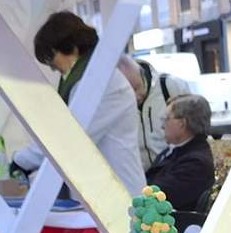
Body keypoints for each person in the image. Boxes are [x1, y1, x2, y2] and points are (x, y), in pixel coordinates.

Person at [13, 11, 146, 197]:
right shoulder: (88, 79)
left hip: (118, 194)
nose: (52, 67)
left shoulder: (99, 83)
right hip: (103, 192)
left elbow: (71, 138)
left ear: (72, 47)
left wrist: (22, 160)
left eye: (52, 57)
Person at [146, 94, 218, 226]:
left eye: (166, 119)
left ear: (182, 124)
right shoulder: (178, 150)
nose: (162, 126)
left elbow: (155, 195)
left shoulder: (196, 163)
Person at [122, 53, 185, 168]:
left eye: (136, 88)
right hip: (141, 175)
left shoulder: (170, 86)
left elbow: (193, 131)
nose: (135, 97)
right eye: (128, 91)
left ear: (143, 76)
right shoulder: (117, 100)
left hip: (174, 171)